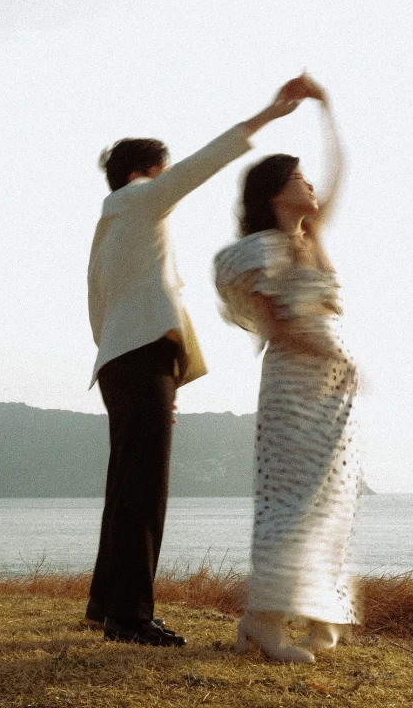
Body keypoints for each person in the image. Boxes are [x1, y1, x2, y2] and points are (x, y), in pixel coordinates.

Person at [86, 76, 325, 646]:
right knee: (143, 490)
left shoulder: (112, 227)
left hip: (123, 358)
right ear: (144, 172)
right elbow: (206, 162)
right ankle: (130, 618)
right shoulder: (138, 200)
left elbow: (104, 307)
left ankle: (106, 606)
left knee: (126, 487)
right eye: (163, 171)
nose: (170, 180)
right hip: (140, 358)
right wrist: (270, 114)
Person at [212, 85, 361, 663]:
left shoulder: (311, 239)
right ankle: (262, 621)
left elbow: (340, 170)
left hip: (333, 390)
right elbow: (277, 328)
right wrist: (330, 357)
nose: (312, 186)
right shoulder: (261, 250)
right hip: (297, 384)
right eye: (300, 179)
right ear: (276, 192)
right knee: (290, 500)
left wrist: (328, 108)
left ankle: (313, 610)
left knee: (330, 497)